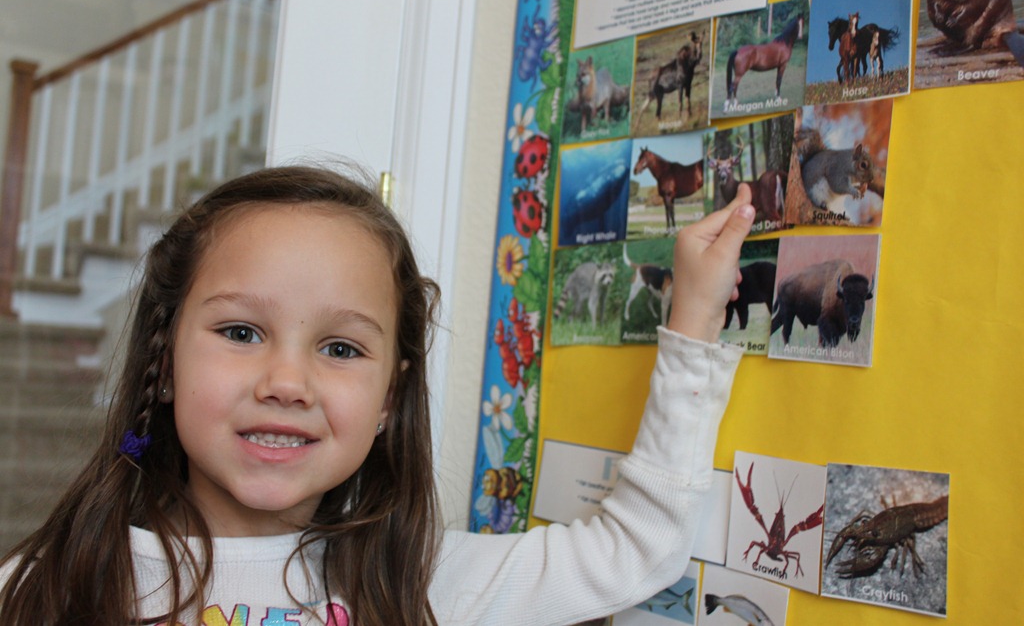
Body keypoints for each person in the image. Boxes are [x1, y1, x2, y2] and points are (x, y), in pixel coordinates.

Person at [0, 165, 755, 625]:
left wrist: (693, 321)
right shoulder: (48, 587)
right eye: (240, 331)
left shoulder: (420, 583)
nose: (286, 383)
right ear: (164, 362)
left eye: (340, 348)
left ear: (390, 399)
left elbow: (634, 552)